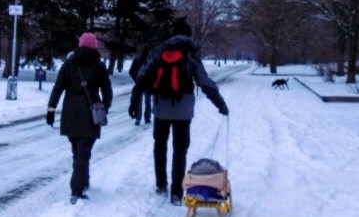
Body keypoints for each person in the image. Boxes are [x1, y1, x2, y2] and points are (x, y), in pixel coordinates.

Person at [129, 19, 228, 205]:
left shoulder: (159, 51)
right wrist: (220, 104)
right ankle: (176, 192)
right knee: (179, 151)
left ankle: (160, 185)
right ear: (188, 36)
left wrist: (134, 103)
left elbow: (141, 76)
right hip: (184, 112)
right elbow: (204, 82)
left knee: (160, 146)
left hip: (160, 109)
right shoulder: (190, 55)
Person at [47, 32, 113, 204]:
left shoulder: (69, 64)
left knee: (77, 151)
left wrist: (51, 109)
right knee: (83, 153)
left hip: (70, 113)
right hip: (90, 114)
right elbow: (107, 90)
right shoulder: (98, 65)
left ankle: (83, 180)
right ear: (94, 46)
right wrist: (105, 107)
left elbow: (57, 88)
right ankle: (76, 190)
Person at [128, 43, 154, 126]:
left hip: (139, 84)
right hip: (148, 84)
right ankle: (147, 119)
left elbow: (131, 71)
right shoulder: (151, 60)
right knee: (148, 102)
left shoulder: (137, 59)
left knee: (138, 101)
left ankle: (138, 119)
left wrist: (136, 80)